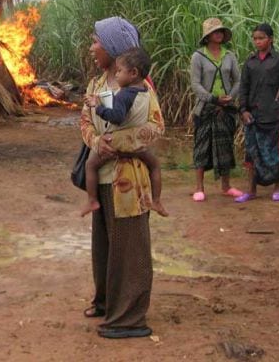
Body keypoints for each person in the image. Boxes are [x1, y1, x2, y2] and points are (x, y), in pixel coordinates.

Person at [80, 17, 165, 339]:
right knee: (104, 246)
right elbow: (84, 122)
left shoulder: (141, 86)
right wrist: (96, 142)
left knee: (130, 249)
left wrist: (119, 143)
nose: (92, 49)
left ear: (113, 47)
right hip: (102, 176)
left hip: (129, 181)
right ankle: (106, 302)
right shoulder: (95, 86)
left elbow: (156, 126)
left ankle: (128, 318)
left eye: (96, 42)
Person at [82, 47, 167, 217]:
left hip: (116, 144)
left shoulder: (124, 94)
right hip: (138, 147)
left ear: (133, 73)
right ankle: (156, 200)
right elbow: (87, 120)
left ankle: (91, 200)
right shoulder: (143, 90)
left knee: (90, 164)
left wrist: (98, 107)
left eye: (120, 71)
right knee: (155, 164)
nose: (117, 74)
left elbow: (118, 116)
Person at [236, 23, 279, 203]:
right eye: (255, 38)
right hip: (253, 115)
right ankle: (251, 189)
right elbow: (244, 87)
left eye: (261, 38)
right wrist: (243, 109)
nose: (258, 41)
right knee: (251, 153)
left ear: (270, 39)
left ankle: (278, 187)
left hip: (274, 113)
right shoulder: (250, 62)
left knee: (275, 152)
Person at [190, 17, 243, 201]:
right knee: (201, 146)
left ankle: (226, 186)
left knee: (225, 146)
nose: (218, 34)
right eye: (215, 32)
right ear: (207, 36)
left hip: (226, 108)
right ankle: (199, 187)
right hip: (206, 108)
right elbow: (195, 84)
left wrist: (231, 97)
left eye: (220, 31)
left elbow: (237, 80)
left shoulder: (229, 56)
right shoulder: (198, 56)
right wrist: (212, 98)